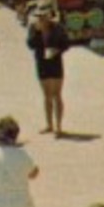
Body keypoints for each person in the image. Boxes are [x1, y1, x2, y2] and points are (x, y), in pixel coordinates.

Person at [27, 8, 71, 136]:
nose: (41, 19)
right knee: (46, 95)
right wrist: (37, 32)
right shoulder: (33, 28)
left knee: (56, 94)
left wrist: (57, 50)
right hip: (41, 62)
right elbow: (30, 44)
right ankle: (49, 125)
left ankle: (58, 126)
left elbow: (66, 43)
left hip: (55, 61)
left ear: (48, 16)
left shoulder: (57, 27)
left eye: (43, 16)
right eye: (38, 16)